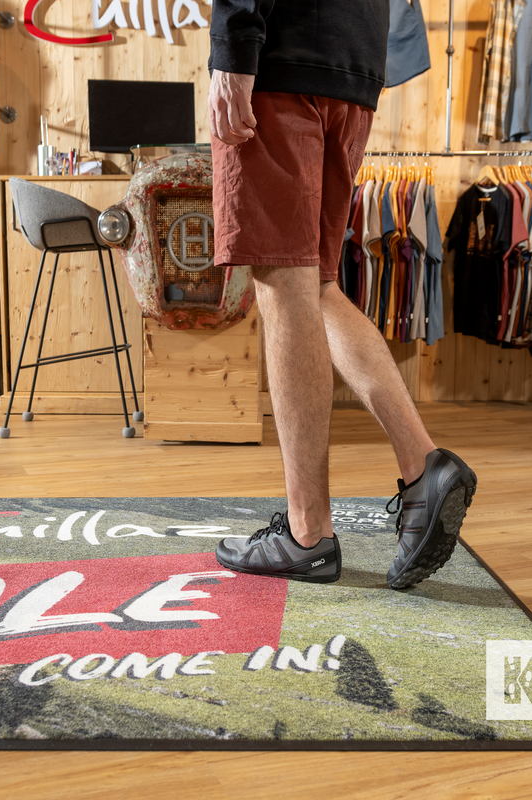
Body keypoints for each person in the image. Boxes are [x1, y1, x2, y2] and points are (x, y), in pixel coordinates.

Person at [208, 0, 477, 589]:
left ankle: (306, 534)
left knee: (283, 279)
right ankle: (423, 466)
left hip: (281, 56)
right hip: (354, 60)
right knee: (315, 282)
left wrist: (233, 47)